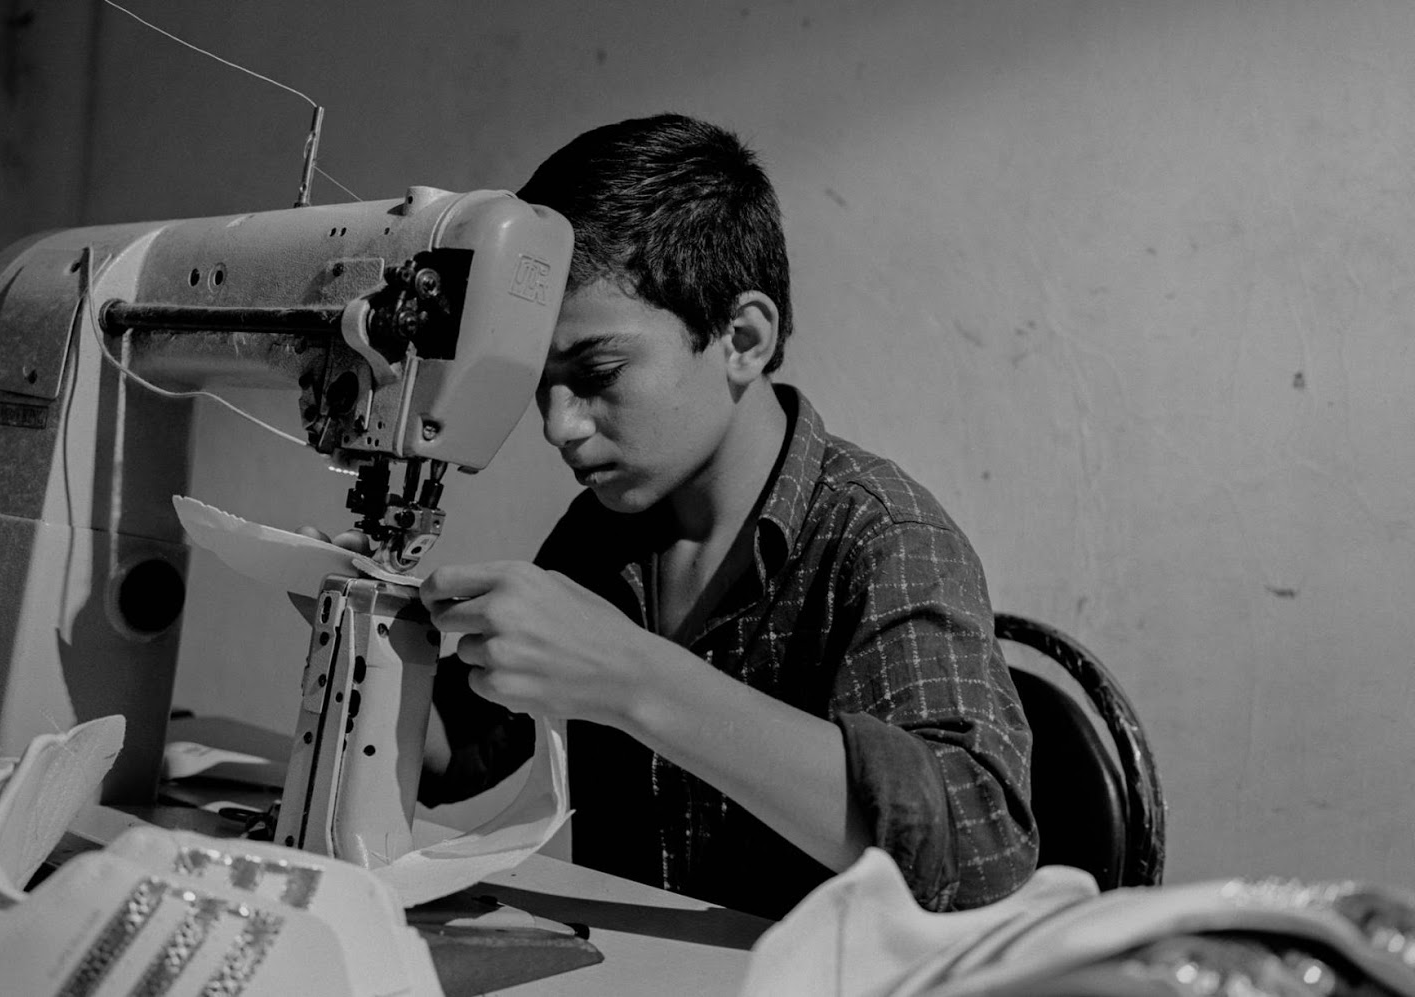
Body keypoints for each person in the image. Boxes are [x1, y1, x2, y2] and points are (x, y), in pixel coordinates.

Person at [415, 113, 1038, 920]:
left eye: (597, 372)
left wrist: (635, 678)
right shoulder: (603, 537)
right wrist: (366, 636)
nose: (557, 424)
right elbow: (455, 752)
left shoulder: (882, 541)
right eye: (539, 381)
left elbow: (979, 850)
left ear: (742, 338)